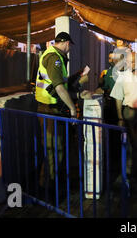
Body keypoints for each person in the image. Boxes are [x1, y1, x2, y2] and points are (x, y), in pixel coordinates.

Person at [35, 32, 88, 200]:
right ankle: (48, 191)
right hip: (49, 110)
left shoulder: (55, 57)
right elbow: (58, 87)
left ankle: (54, 186)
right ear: (65, 43)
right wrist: (73, 110)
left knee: (57, 150)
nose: (70, 48)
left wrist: (77, 77)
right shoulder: (54, 58)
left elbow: (60, 82)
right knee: (53, 150)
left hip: (52, 110)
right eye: (69, 45)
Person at [110, 52, 137, 183]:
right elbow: (118, 98)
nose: (130, 64)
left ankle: (131, 173)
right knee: (132, 142)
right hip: (129, 112)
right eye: (128, 61)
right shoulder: (122, 77)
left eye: (133, 61)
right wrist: (120, 117)